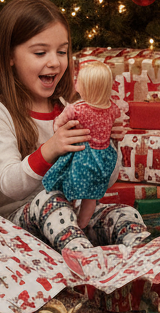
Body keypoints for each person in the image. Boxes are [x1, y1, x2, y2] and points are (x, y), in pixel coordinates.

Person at [0, 0, 148, 252]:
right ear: (10, 56)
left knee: (124, 214)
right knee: (51, 201)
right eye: (40, 53)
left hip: (71, 218)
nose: (55, 62)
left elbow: (106, 181)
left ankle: (146, 260)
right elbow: (10, 185)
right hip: (13, 226)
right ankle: (85, 261)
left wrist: (105, 142)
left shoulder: (70, 107)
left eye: (62, 51)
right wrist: (52, 148)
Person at [41, 61, 122, 229]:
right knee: (90, 198)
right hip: (103, 158)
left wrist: (58, 127)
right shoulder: (113, 108)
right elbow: (114, 127)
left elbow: (58, 126)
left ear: (85, 87)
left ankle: (68, 221)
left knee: (67, 187)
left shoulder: (75, 109)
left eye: (78, 80)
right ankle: (82, 225)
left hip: (81, 157)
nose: (75, 82)